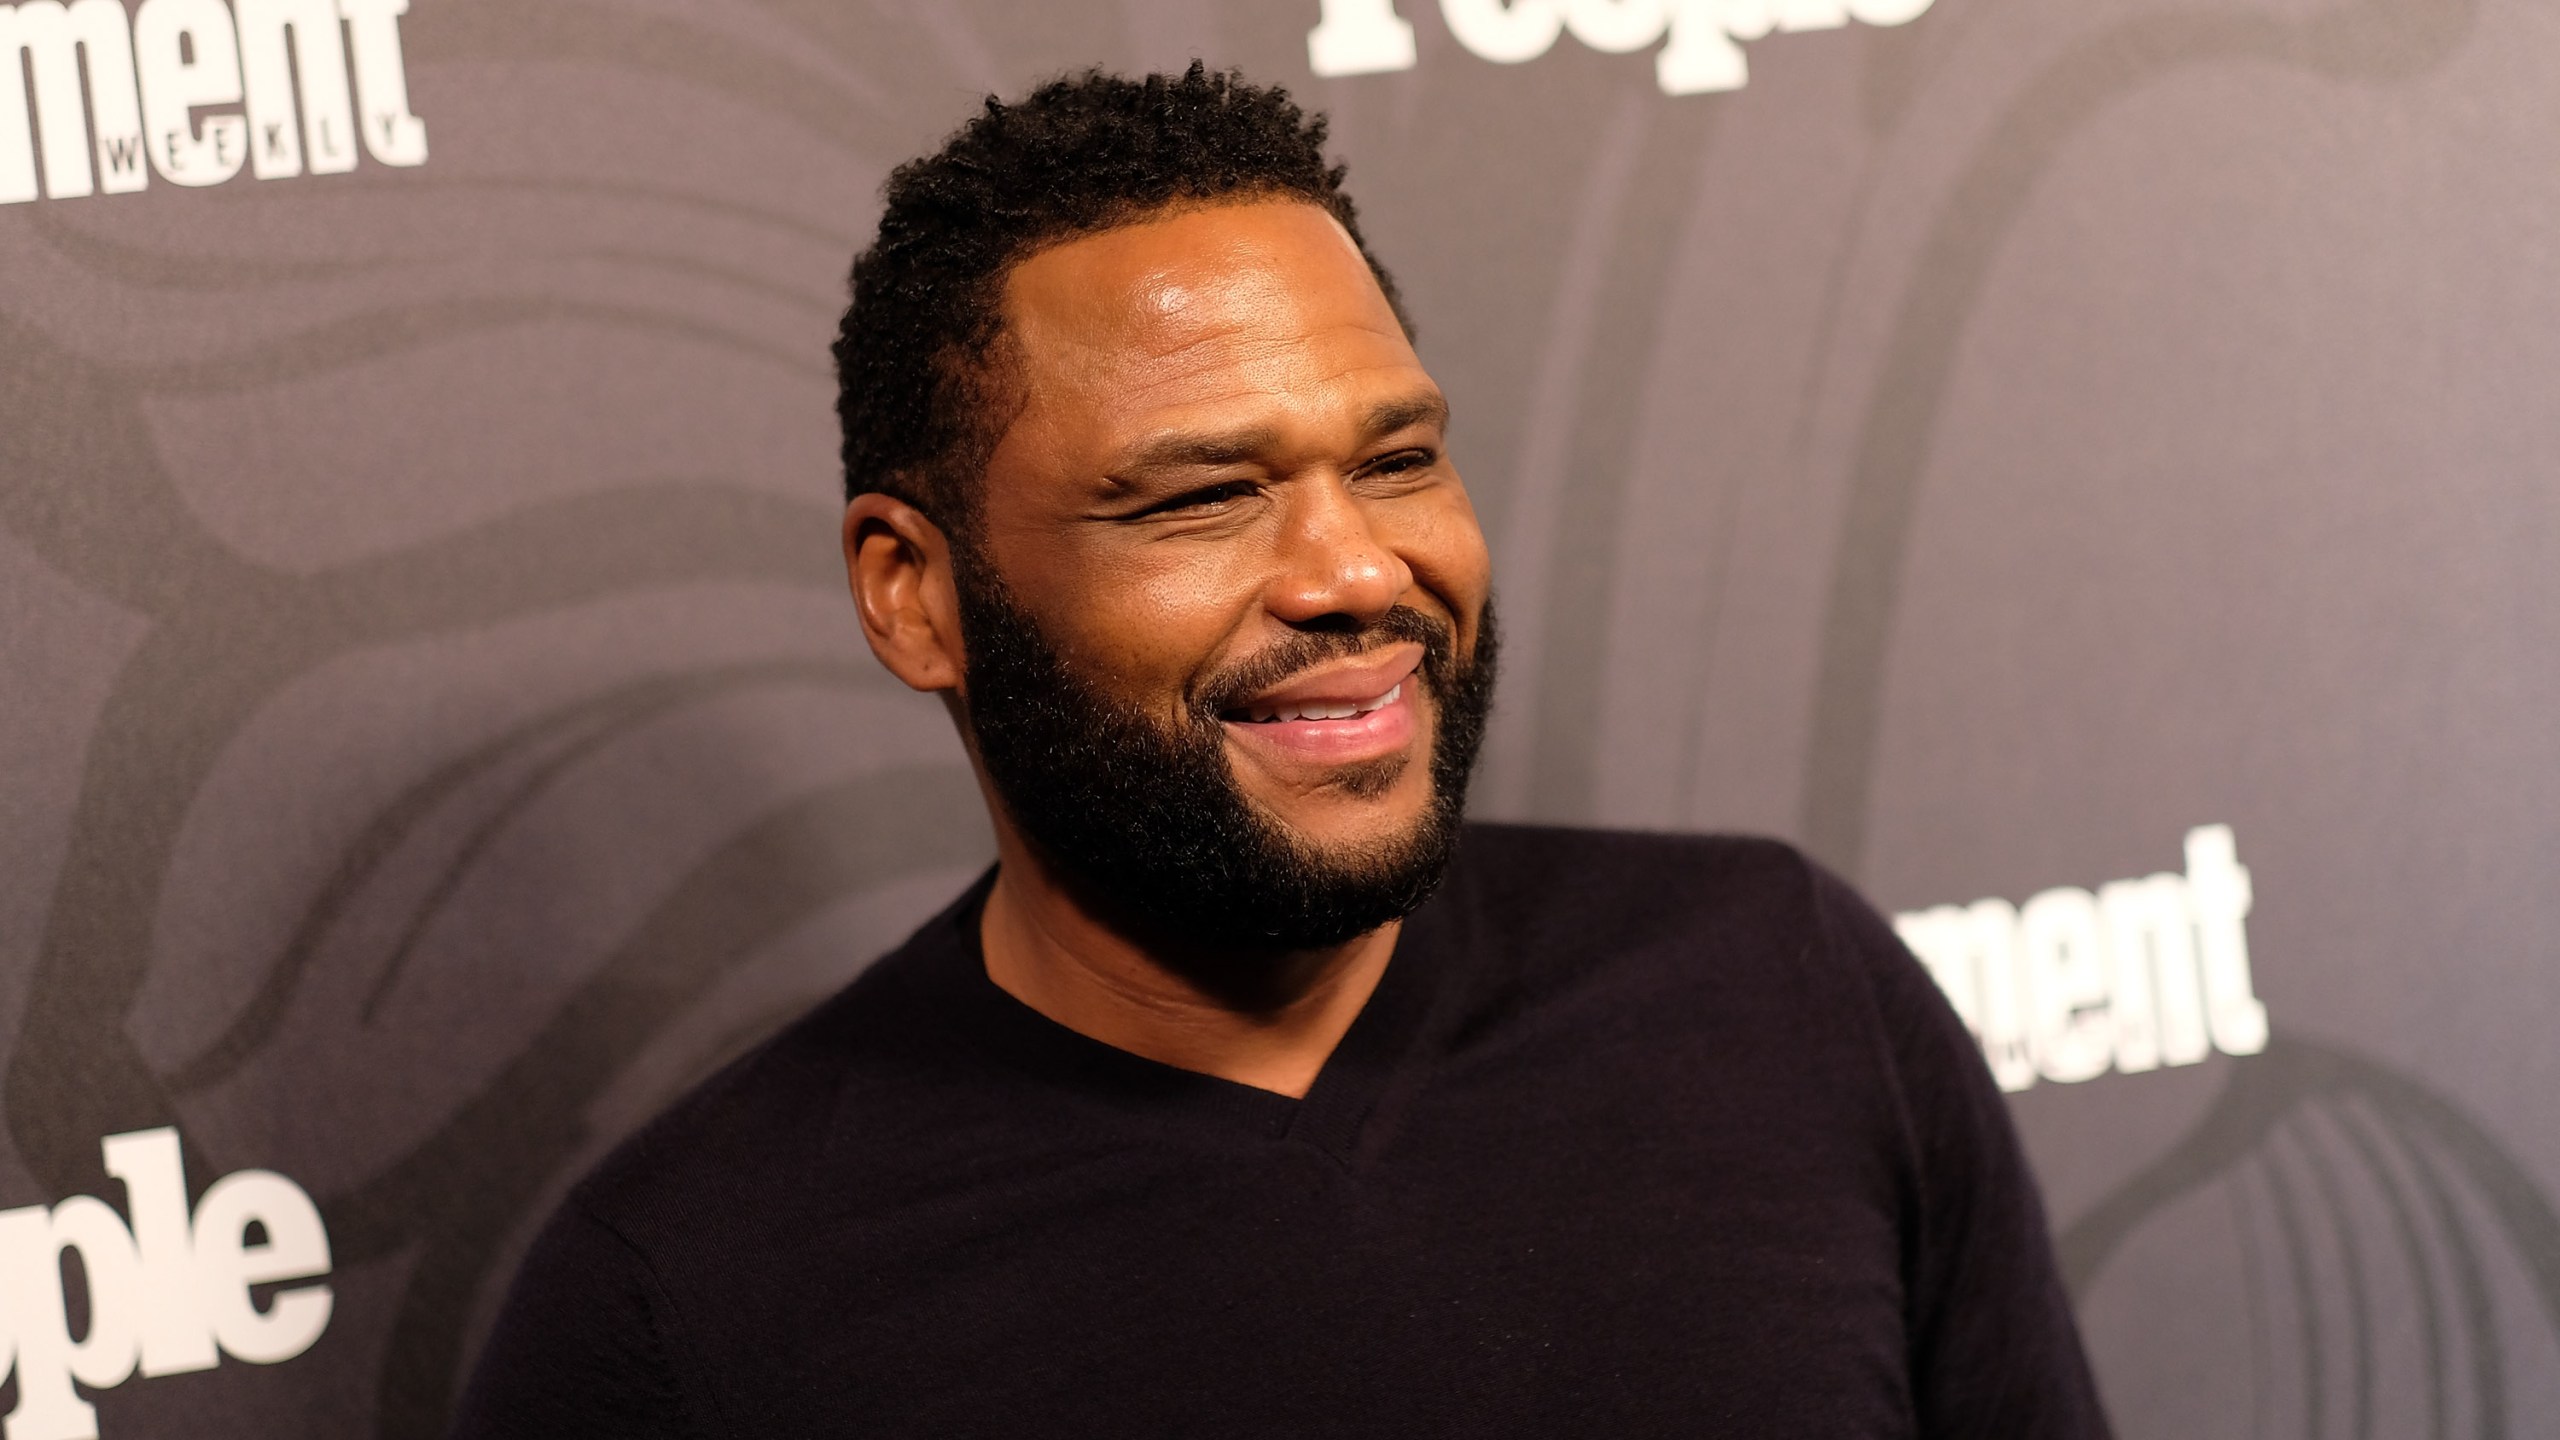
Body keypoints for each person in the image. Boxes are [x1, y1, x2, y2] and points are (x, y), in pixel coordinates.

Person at [450, 64, 2108, 1438]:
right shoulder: (682, 1310)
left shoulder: (1782, 990)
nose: (1356, 575)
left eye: (1396, 460)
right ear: (917, 594)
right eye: (1199, 497)